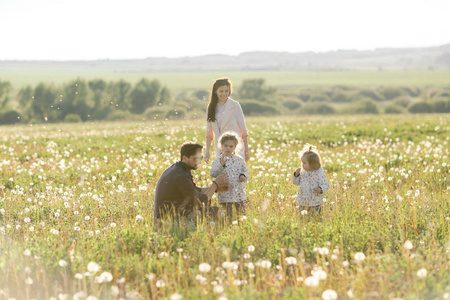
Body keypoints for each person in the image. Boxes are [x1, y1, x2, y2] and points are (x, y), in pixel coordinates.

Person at [154, 142, 227, 222]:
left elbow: (194, 190)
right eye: (195, 159)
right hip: (170, 219)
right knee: (217, 212)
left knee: (213, 211)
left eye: (200, 158)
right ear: (185, 158)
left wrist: (216, 188)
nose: (199, 162)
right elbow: (199, 201)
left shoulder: (177, 169)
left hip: (170, 214)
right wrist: (215, 184)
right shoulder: (180, 176)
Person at [205, 78, 249, 163]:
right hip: (220, 148)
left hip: (234, 148)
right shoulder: (211, 108)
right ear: (215, 91)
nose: (224, 94)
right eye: (221, 91)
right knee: (222, 173)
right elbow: (209, 133)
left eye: (226, 91)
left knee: (236, 173)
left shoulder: (235, 105)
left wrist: (246, 151)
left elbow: (243, 130)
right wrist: (207, 151)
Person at [210, 132, 249, 220]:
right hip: (225, 192)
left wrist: (243, 175)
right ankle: (228, 225)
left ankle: (242, 224)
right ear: (221, 146)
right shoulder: (218, 160)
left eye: (231, 146)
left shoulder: (239, 159)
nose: (228, 148)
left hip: (238, 191)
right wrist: (220, 165)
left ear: (235, 147)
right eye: (225, 146)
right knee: (228, 214)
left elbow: (245, 170)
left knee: (241, 212)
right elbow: (213, 173)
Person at [292, 145, 330, 214]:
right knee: (303, 218)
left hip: (315, 202)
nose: (302, 165)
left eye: (304, 163)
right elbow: (296, 183)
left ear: (313, 164)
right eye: (302, 163)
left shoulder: (319, 173)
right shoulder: (303, 172)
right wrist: (296, 175)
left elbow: (326, 185)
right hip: (303, 202)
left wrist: (321, 189)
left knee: (316, 217)